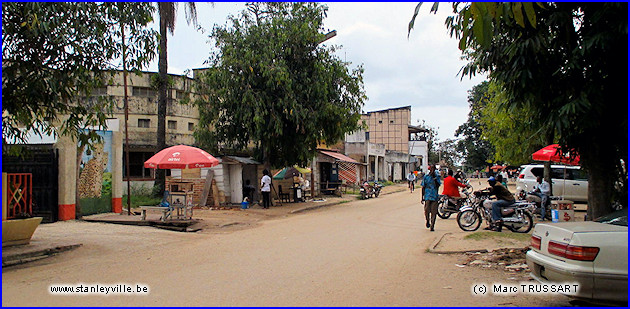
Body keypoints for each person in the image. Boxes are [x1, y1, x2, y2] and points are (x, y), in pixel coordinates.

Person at [421, 164, 441, 231]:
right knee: (426, 210)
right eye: (431, 169)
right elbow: (423, 187)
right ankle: (427, 220)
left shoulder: (437, 177)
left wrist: (435, 178)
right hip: (427, 195)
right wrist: (422, 197)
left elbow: (438, 185)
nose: (432, 170)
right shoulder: (426, 177)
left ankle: (432, 225)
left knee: (434, 211)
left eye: (433, 169)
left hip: (434, 196)